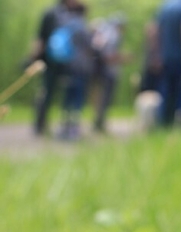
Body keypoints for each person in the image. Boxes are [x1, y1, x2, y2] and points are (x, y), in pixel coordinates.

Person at [28, 0, 82, 136]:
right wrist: (34, 59)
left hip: (60, 61)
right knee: (47, 92)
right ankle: (41, 123)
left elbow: (41, 37)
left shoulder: (58, 13)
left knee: (49, 92)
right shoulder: (55, 13)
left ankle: (43, 123)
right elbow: (41, 37)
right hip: (53, 61)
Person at [58, 3, 93, 140]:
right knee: (78, 97)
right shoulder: (82, 26)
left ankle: (64, 127)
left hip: (66, 65)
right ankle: (74, 129)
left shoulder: (66, 24)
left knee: (67, 96)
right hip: (81, 67)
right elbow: (90, 46)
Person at [90, 15, 131, 132]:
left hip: (98, 70)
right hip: (108, 71)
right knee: (106, 97)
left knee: (99, 96)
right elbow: (108, 56)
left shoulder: (105, 33)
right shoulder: (114, 35)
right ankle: (99, 122)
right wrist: (123, 58)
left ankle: (98, 120)